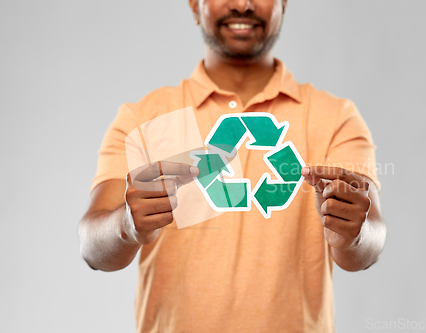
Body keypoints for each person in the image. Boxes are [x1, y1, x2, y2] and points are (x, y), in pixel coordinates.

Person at [79, 0, 387, 332]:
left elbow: (368, 244)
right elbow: (93, 247)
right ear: (195, 6)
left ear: (284, 4)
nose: (243, 4)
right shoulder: (144, 119)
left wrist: (355, 234)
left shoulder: (335, 118)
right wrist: (126, 224)